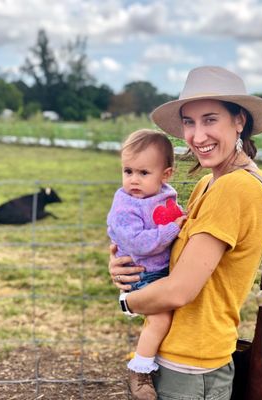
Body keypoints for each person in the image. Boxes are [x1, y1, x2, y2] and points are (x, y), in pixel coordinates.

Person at [109, 66, 262, 400]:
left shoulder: (236, 188)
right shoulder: (208, 182)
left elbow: (179, 291)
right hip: (181, 352)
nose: (197, 136)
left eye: (210, 119)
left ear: (239, 120)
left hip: (192, 364)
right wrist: (124, 264)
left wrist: (128, 302)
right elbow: (173, 251)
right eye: (189, 122)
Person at [107, 129, 187, 400]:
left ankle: (159, 360)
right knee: (160, 318)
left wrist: (181, 219)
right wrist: (172, 230)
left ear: (165, 175)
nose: (133, 180)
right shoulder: (125, 205)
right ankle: (140, 371)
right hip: (144, 274)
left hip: (163, 268)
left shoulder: (164, 194)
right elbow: (140, 244)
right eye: (128, 171)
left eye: (143, 173)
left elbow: (174, 215)